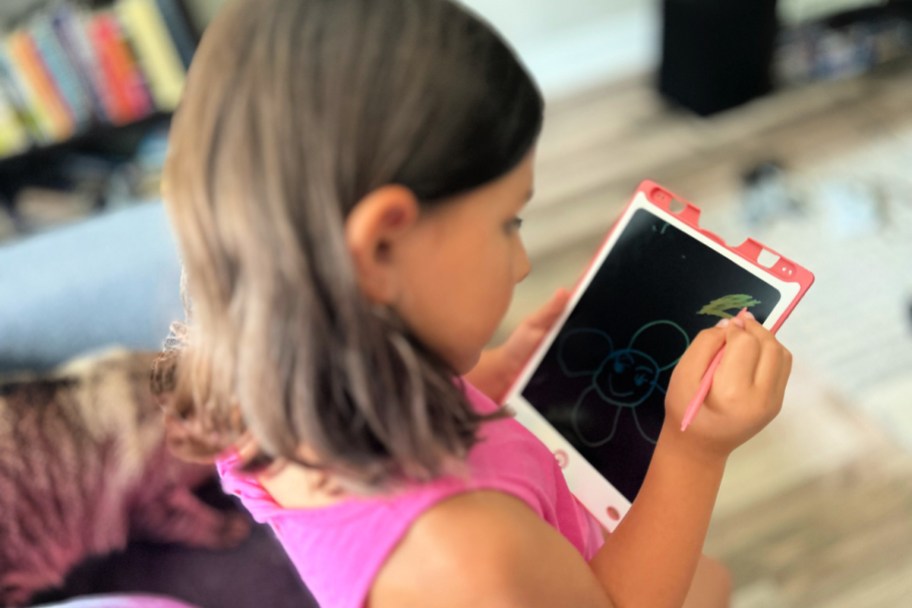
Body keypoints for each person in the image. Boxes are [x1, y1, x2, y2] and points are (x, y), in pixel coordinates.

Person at [157, 0, 792, 606]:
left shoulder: (271, 371)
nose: (521, 264)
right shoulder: (465, 551)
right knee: (707, 585)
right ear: (382, 246)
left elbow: (432, 410)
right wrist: (695, 451)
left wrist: (502, 367)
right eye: (507, 222)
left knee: (708, 581)